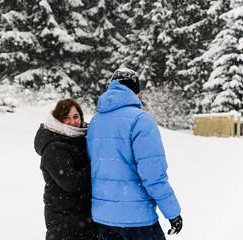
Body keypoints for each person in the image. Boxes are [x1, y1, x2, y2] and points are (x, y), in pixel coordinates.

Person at [86, 68, 183, 240]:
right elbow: (153, 175)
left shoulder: (95, 121)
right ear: (136, 94)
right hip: (137, 219)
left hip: (104, 218)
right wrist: (172, 212)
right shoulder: (141, 120)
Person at [34, 98, 100, 240]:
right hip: (65, 220)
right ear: (58, 120)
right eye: (66, 118)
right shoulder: (54, 147)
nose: (73, 122)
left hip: (83, 218)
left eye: (76, 116)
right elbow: (71, 182)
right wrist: (97, 163)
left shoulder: (80, 138)